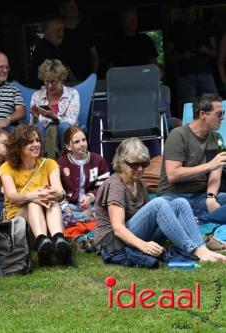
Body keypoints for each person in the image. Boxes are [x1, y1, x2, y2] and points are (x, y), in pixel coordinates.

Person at [94, 138, 226, 267]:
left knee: (180, 202)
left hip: (136, 236)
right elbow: (118, 229)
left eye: (144, 164)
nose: (140, 169)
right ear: (122, 163)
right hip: (114, 242)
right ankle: (194, 250)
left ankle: (202, 248)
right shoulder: (115, 185)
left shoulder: (138, 183)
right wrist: (143, 245)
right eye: (135, 164)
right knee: (159, 203)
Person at [0, 125, 73, 267]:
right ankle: (43, 243)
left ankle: (58, 240)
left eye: (38, 140)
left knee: (51, 200)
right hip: (20, 224)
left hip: (47, 219)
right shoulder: (6, 167)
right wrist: (35, 195)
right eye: (30, 142)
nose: (36, 144)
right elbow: (11, 196)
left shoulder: (49, 163)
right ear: (19, 146)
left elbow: (60, 191)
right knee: (34, 202)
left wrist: (53, 193)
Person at [157, 93, 226, 223]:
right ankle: (205, 218)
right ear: (203, 114)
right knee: (175, 206)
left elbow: (216, 171)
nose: (222, 118)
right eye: (219, 114)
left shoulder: (216, 138)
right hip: (173, 196)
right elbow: (173, 174)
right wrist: (209, 165)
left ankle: (201, 218)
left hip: (200, 196)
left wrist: (211, 197)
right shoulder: (178, 135)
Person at [166, 3, 217, 105]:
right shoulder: (175, 28)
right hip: (186, 75)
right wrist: (183, 56)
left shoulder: (205, 25)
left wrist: (205, 50)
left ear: (195, 10)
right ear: (182, 12)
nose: (190, 15)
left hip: (205, 73)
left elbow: (215, 53)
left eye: (192, 12)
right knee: (189, 109)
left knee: (215, 105)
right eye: (187, 13)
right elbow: (168, 57)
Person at [58, 126, 109, 225]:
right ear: (68, 146)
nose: (82, 144)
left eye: (84, 140)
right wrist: (67, 210)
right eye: (77, 142)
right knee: (57, 212)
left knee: (108, 207)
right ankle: (83, 219)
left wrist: (91, 196)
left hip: (92, 205)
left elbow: (105, 186)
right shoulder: (61, 163)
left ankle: (81, 219)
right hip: (70, 206)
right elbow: (59, 192)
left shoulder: (98, 160)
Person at [30, 59, 80, 150]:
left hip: (65, 134)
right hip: (44, 135)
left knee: (64, 126)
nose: (49, 86)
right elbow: (32, 127)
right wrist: (35, 117)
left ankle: (66, 159)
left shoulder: (72, 94)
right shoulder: (37, 96)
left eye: (53, 82)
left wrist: (54, 117)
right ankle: (41, 161)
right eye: (46, 81)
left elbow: (71, 121)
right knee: (38, 128)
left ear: (61, 80)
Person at [60, 0, 99, 81]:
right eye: (70, 7)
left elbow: (95, 57)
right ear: (62, 11)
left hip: (86, 79)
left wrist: (91, 77)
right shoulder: (59, 33)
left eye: (76, 7)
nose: (74, 9)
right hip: (65, 82)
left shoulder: (85, 30)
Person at [29, 17, 68, 88]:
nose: (61, 34)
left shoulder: (51, 46)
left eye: (63, 30)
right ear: (47, 31)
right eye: (58, 30)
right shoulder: (46, 48)